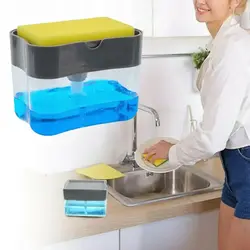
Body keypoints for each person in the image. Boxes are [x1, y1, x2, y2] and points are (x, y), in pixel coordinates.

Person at [144, 0, 250, 249]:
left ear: (235, 1)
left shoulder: (235, 48)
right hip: (236, 166)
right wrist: (180, 145)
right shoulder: (224, 42)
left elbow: (213, 137)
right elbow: (223, 124)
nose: (201, 0)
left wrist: (173, 153)